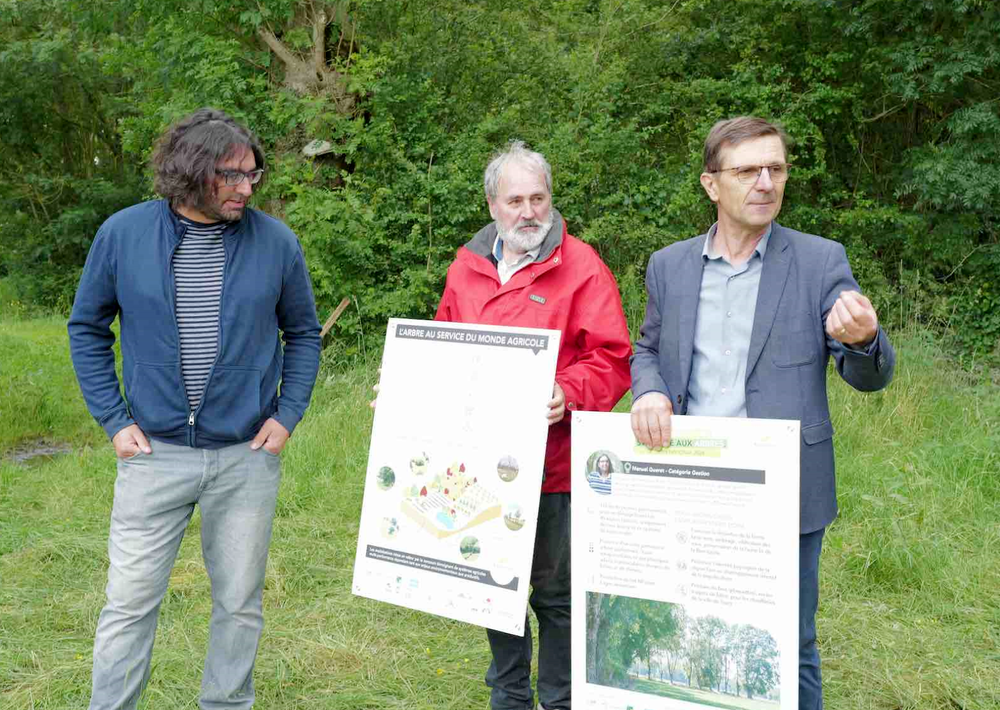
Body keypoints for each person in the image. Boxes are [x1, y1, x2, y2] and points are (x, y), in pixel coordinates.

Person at [629, 116, 895, 709]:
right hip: (688, 481)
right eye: (748, 170)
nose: (765, 182)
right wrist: (649, 390)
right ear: (710, 184)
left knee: (787, 640)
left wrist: (863, 339)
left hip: (782, 488)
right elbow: (646, 348)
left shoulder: (820, 261)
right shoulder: (668, 266)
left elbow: (868, 375)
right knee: (692, 629)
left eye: (775, 168)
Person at [68, 107, 322, 710]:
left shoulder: (276, 242)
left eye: (252, 175)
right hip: (152, 455)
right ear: (188, 173)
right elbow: (87, 326)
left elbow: (304, 334)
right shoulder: (124, 234)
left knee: (238, 601)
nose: (245, 188)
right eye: (229, 176)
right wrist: (114, 418)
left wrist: (286, 416)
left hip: (245, 458)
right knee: (129, 602)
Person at [435, 141, 632, 710]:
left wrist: (567, 392)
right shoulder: (465, 267)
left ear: (551, 200)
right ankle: (510, 693)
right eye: (515, 199)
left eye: (538, 198)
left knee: (556, 596)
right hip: (481, 465)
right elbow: (445, 351)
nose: (528, 212)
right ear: (492, 204)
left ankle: (562, 698)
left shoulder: (582, 266)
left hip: (555, 466)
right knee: (494, 587)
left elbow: (613, 358)